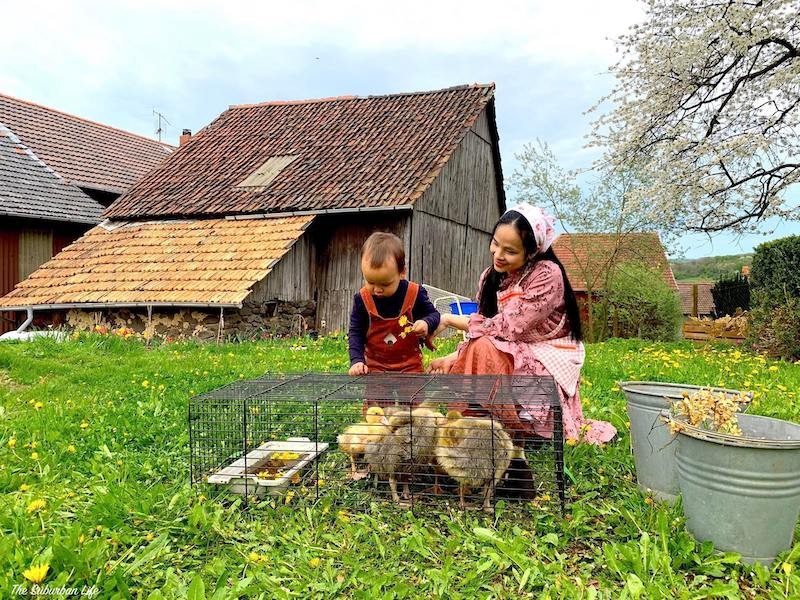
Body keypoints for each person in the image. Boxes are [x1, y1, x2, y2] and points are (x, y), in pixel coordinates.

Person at [429, 204, 616, 445]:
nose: (498, 255)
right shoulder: (489, 276)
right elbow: (488, 328)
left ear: (531, 252)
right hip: (509, 346)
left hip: (547, 352)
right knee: (482, 346)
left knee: (484, 347)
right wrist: (455, 357)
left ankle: (509, 422)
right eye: (495, 243)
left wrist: (448, 319)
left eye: (510, 251)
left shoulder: (547, 275)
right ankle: (474, 422)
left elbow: (508, 328)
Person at [348, 231, 440, 377]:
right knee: (377, 401)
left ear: (402, 272)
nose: (377, 290)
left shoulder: (414, 293)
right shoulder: (362, 299)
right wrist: (357, 360)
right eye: (370, 282)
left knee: (413, 399)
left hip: (410, 366)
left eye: (385, 284)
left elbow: (434, 315)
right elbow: (356, 332)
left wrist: (426, 323)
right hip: (376, 367)